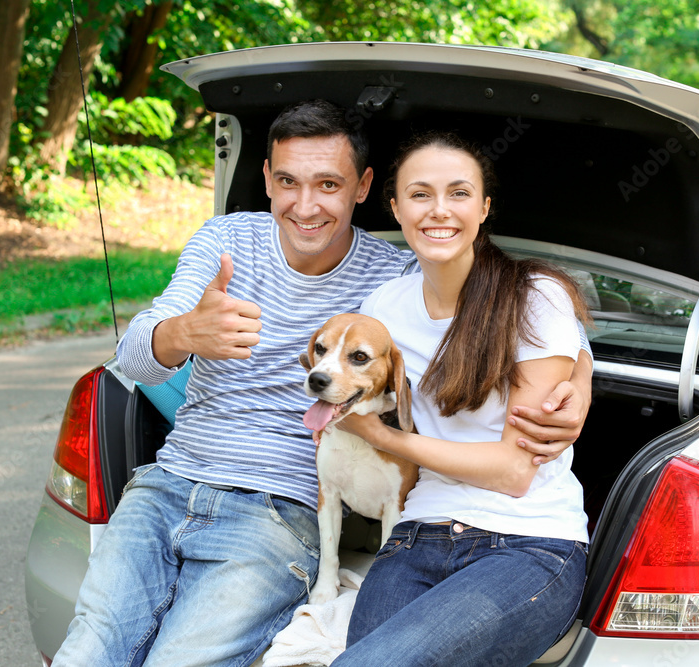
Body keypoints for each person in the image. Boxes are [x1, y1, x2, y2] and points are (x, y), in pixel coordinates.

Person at [52, 101, 593, 667]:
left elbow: (516, 304)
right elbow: (133, 360)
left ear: (361, 188)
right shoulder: (232, 245)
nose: (305, 205)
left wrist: (579, 375)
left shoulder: (390, 276)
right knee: (88, 650)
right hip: (169, 483)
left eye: (327, 184)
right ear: (265, 179)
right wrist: (182, 331)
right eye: (287, 181)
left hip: (280, 508)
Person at [331, 131, 592, 667]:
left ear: (484, 207)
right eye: (420, 194)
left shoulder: (533, 297)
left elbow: (513, 472)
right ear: (396, 207)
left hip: (529, 543)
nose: (439, 210)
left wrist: (382, 437)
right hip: (417, 534)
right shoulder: (385, 304)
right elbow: (339, 369)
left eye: (459, 193)